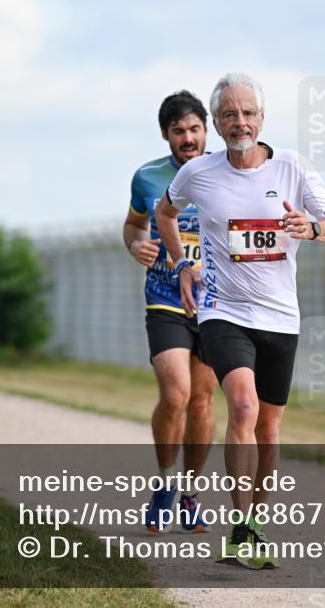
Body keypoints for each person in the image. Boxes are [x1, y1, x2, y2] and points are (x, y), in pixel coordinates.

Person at [156, 73, 325, 568]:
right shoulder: (199, 173)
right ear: (217, 124)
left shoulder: (293, 167)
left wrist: (312, 226)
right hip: (223, 311)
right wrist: (181, 265)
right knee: (242, 406)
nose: (239, 122)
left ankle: (257, 524)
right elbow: (165, 213)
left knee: (269, 429)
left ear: (262, 119)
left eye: (248, 113)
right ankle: (239, 528)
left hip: (281, 315)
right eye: (229, 115)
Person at [124, 91, 218, 533]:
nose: (188, 137)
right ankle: (164, 484)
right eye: (178, 131)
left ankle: (190, 496)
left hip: (216, 303)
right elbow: (133, 224)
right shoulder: (147, 177)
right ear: (166, 135)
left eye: (195, 129)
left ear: (206, 130)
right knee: (176, 394)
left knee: (202, 401)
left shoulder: (227, 173)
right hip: (164, 298)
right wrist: (134, 243)